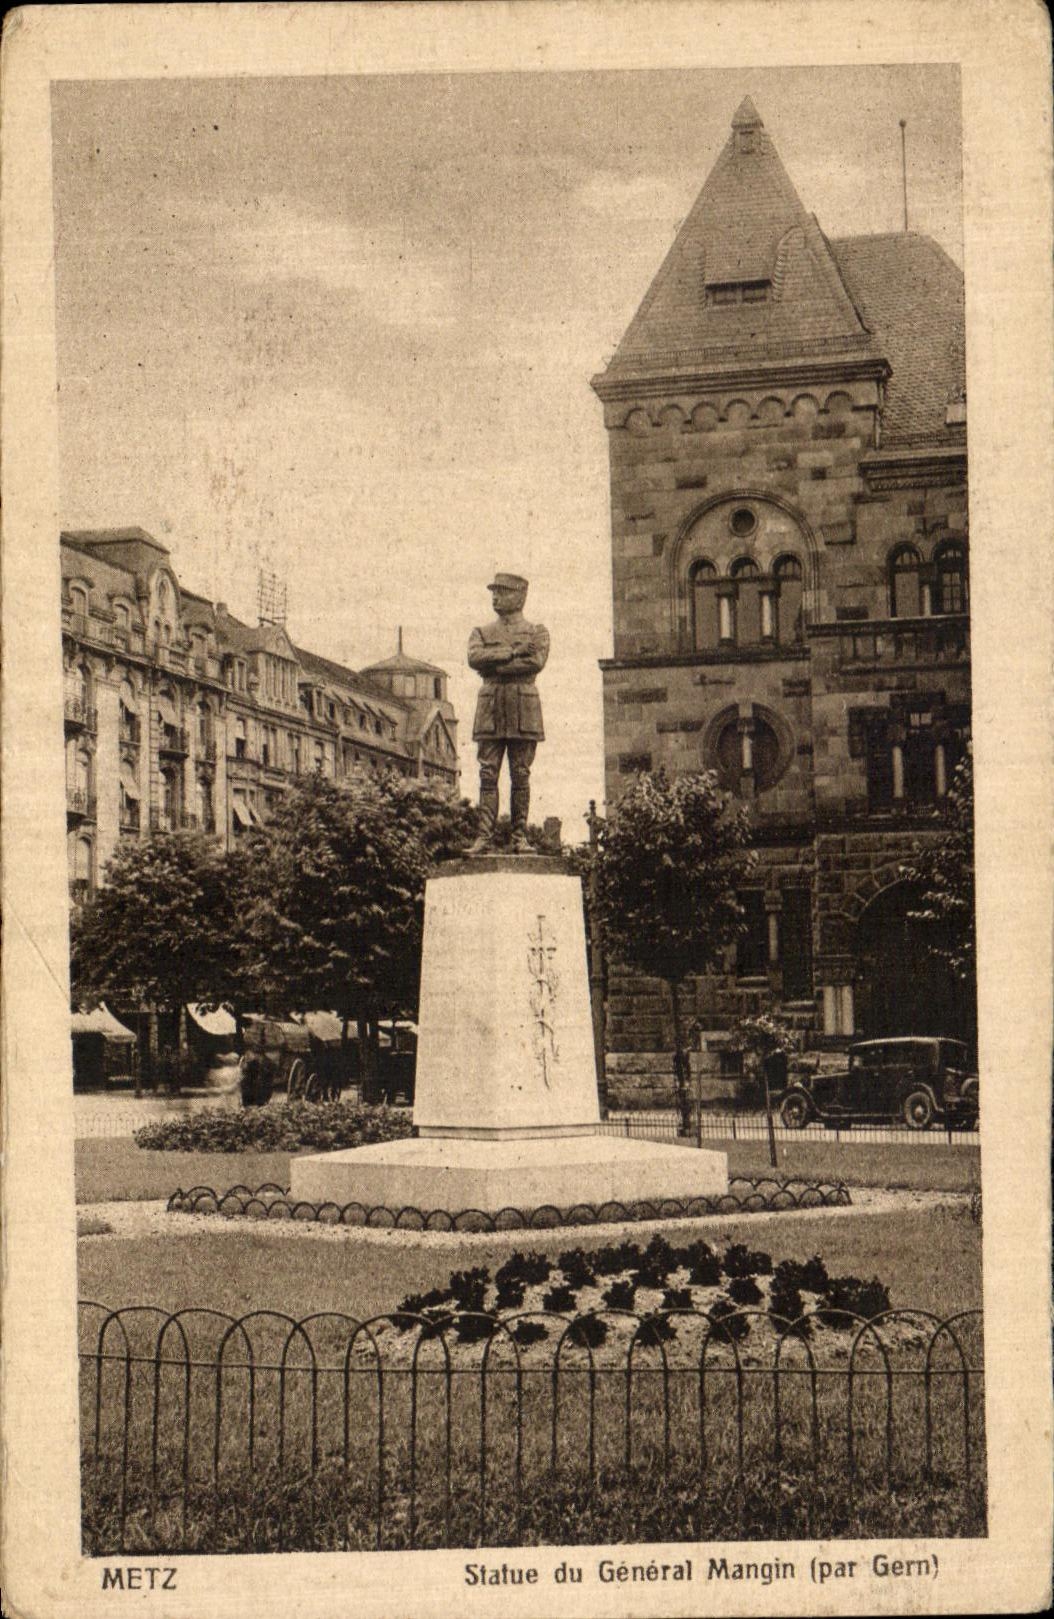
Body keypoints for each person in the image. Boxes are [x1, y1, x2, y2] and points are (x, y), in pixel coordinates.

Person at [466, 573, 550, 855]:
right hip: (490, 708)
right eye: (494, 592)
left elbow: (535, 663)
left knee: (521, 774)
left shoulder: (537, 632)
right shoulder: (481, 632)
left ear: (521, 596)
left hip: (523, 709)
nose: (495, 597)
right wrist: (513, 653)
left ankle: (519, 836)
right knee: (487, 774)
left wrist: (495, 665)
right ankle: (484, 837)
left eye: (503, 592)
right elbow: (474, 658)